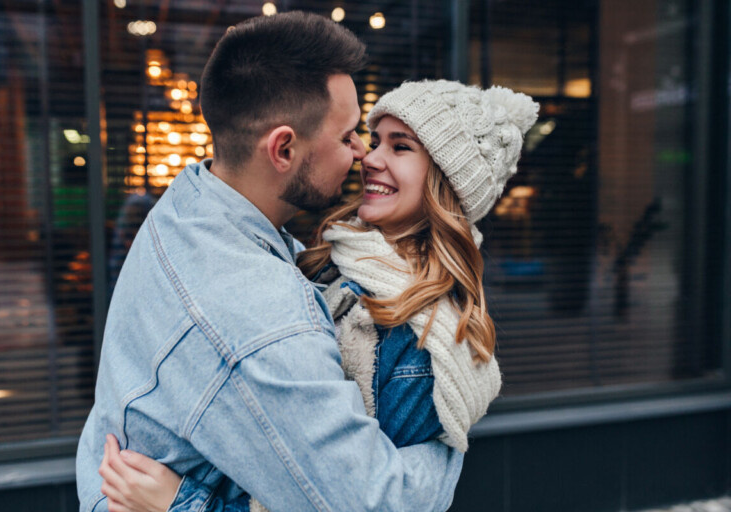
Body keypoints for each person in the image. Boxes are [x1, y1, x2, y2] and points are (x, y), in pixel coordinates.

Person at [77, 12, 469, 512]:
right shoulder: (262, 317)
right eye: (347, 135)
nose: (362, 153)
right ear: (283, 148)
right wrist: (446, 447)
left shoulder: (187, 205)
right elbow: (377, 505)